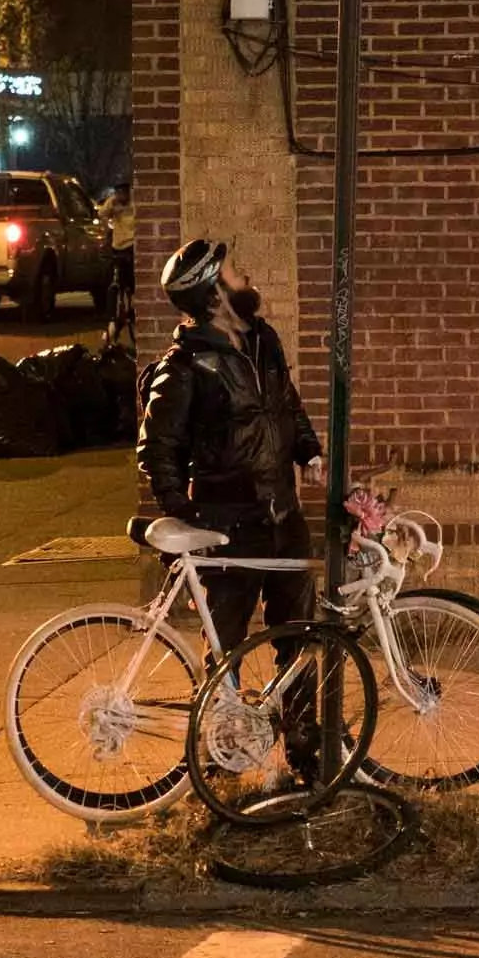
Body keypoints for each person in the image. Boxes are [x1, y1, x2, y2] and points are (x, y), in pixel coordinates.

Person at [136, 236, 324, 666]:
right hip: (228, 524)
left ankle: (301, 732)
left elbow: (286, 402)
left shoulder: (262, 340)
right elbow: (156, 447)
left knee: (299, 638)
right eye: (233, 272)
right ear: (215, 293)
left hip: (282, 514)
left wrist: (308, 451)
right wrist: (184, 514)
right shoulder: (184, 365)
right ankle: (225, 725)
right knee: (225, 644)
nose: (245, 276)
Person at [98, 177, 136, 309]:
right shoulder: (112, 202)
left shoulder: (134, 201)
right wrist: (107, 226)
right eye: (118, 192)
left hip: (132, 244)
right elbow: (102, 214)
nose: (121, 195)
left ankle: (131, 300)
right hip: (118, 245)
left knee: (132, 277)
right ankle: (114, 309)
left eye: (123, 192)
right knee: (114, 276)